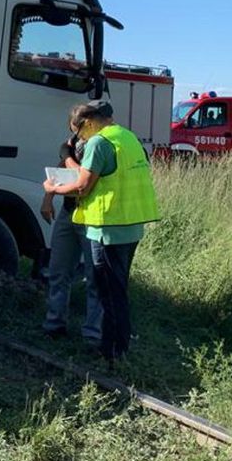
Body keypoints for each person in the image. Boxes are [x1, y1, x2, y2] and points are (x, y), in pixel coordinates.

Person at [42, 100, 159, 363]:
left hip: (104, 224)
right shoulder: (127, 138)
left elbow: (83, 186)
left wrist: (52, 189)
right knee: (114, 289)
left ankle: (106, 348)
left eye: (79, 129)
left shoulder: (98, 142)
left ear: (90, 121)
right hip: (126, 225)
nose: (77, 136)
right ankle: (115, 348)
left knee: (104, 286)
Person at [40, 131, 103, 344]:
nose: (75, 131)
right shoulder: (73, 144)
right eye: (73, 126)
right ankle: (54, 325)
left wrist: (68, 158)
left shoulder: (102, 146)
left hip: (93, 217)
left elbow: (82, 182)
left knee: (95, 277)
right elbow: (59, 170)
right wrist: (48, 198)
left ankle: (92, 336)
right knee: (58, 270)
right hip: (69, 212)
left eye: (79, 125)